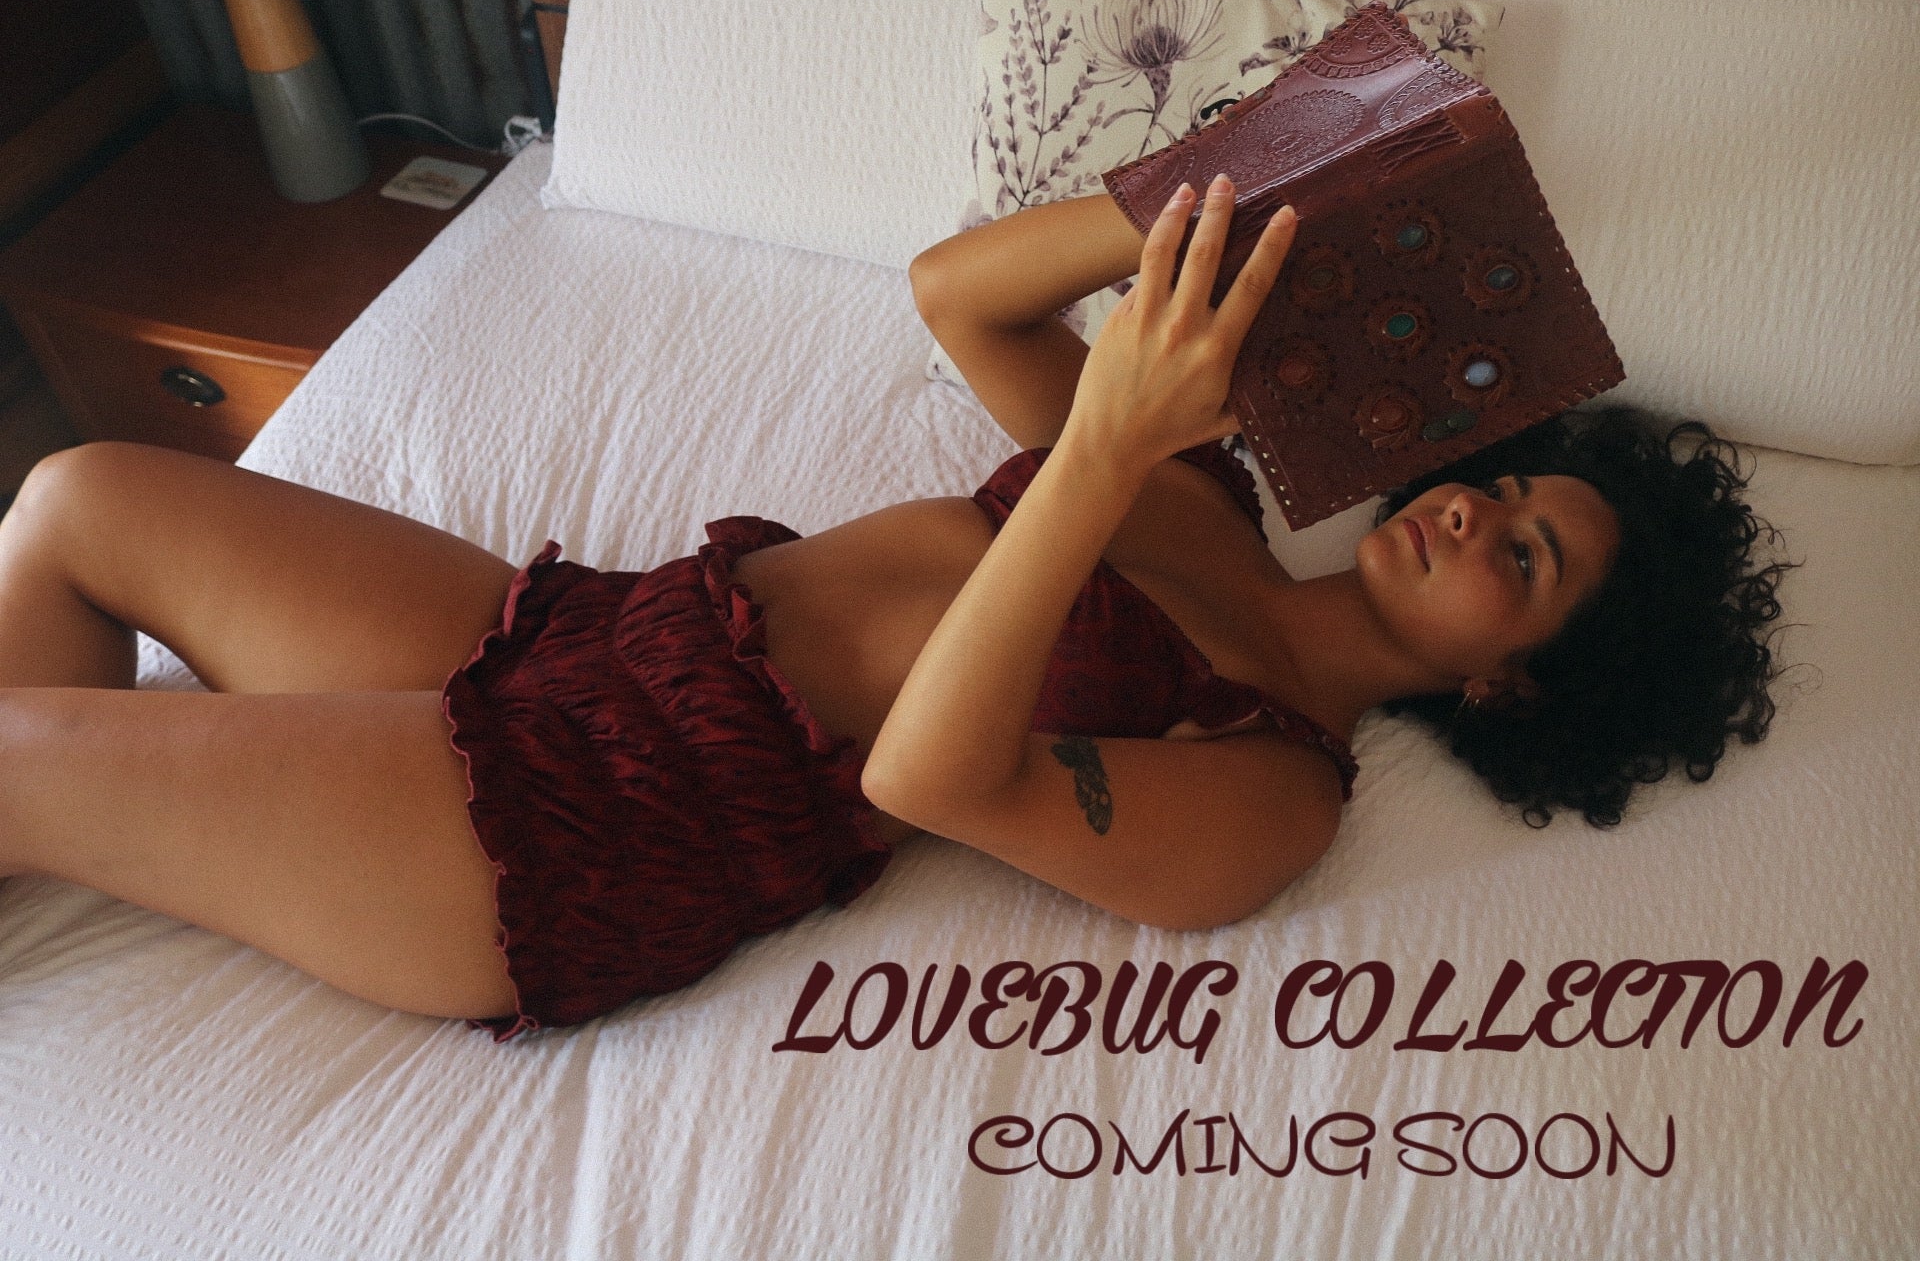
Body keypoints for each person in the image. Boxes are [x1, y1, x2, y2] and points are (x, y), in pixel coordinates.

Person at [0, 176, 1785, 1040]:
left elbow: (929, 779)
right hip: (594, 636)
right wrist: (1216, 195)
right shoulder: (1204, 491)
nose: (1473, 509)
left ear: (1511, 690)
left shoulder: (1272, 789)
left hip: (594, 824)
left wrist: (1097, 451)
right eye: (1505, 484)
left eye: (1524, 559)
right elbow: (957, 297)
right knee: (78, 503)